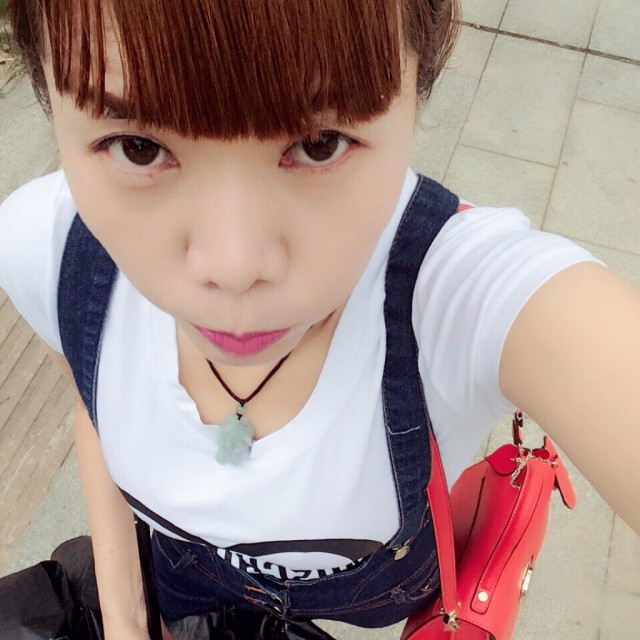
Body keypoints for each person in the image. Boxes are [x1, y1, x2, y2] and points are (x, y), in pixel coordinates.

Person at [0, 1, 638, 638]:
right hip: (181, 575)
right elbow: (93, 408)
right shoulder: (47, 254)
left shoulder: (463, 295)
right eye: (139, 148)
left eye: (318, 144)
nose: (234, 266)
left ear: (419, 92)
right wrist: (127, 619)